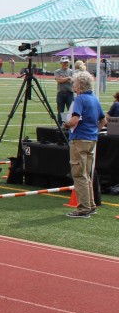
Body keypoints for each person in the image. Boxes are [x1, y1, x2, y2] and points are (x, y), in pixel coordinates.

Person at [65, 71, 107, 218]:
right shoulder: (94, 99)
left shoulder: (80, 99)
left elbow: (75, 120)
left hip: (80, 139)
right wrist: (94, 131)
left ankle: (84, 208)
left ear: (79, 85)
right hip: (91, 139)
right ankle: (90, 205)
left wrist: (66, 124)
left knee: (79, 174)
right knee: (86, 174)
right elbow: (103, 121)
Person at [54, 58, 75, 125]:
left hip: (69, 93)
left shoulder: (71, 71)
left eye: (66, 62)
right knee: (61, 111)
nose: (65, 64)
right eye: (64, 62)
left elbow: (72, 81)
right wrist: (68, 78)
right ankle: (61, 125)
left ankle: (69, 124)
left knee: (70, 110)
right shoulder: (57, 71)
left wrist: (63, 79)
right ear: (61, 63)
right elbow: (59, 80)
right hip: (61, 93)